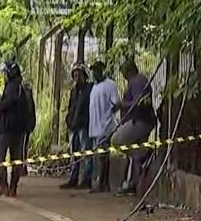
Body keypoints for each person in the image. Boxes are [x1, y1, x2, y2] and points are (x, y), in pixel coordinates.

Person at [111, 58, 157, 196]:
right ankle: (133, 184)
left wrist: (121, 104)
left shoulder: (138, 81)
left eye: (124, 74)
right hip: (139, 120)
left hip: (141, 121)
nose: (124, 77)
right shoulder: (136, 80)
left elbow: (138, 102)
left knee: (117, 141)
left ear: (129, 71)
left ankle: (144, 152)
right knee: (133, 154)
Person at [0, 61, 33, 198]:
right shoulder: (23, 88)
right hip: (20, 129)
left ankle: (4, 186)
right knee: (17, 159)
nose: (4, 76)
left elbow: (5, 105)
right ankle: (13, 188)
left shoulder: (12, 87)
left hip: (7, 128)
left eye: (6, 73)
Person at [87, 60, 120, 193]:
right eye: (93, 70)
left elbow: (116, 103)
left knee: (102, 156)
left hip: (105, 126)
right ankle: (102, 183)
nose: (94, 73)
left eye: (96, 70)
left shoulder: (110, 85)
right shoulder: (94, 87)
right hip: (95, 127)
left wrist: (110, 114)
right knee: (100, 156)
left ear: (102, 70)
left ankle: (102, 183)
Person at [61, 63, 94, 189]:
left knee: (86, 152)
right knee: (74, 154)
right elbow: (71, 107)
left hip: (84, 125)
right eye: (74, 75)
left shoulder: (89, 89)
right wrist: (69, 120)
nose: (76, 77)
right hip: (73, 126)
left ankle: (86, 179)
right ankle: (73, 178)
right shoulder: (74, 91)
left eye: (79, 75)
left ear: (84, 76)